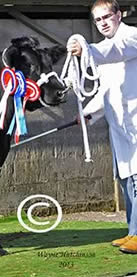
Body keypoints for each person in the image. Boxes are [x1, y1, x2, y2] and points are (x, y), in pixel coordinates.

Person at [67, 0, 137, 254]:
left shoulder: (132, 38)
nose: (103, 23)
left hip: (135, 126)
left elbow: (116, 50)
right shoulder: (106, 48)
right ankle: (133, 232)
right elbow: (105, 91)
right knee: (125, 180)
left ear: (119, 15)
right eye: (98, 20)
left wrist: (86, 49)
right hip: (120, 128)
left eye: (107, 16)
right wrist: (86, 114)